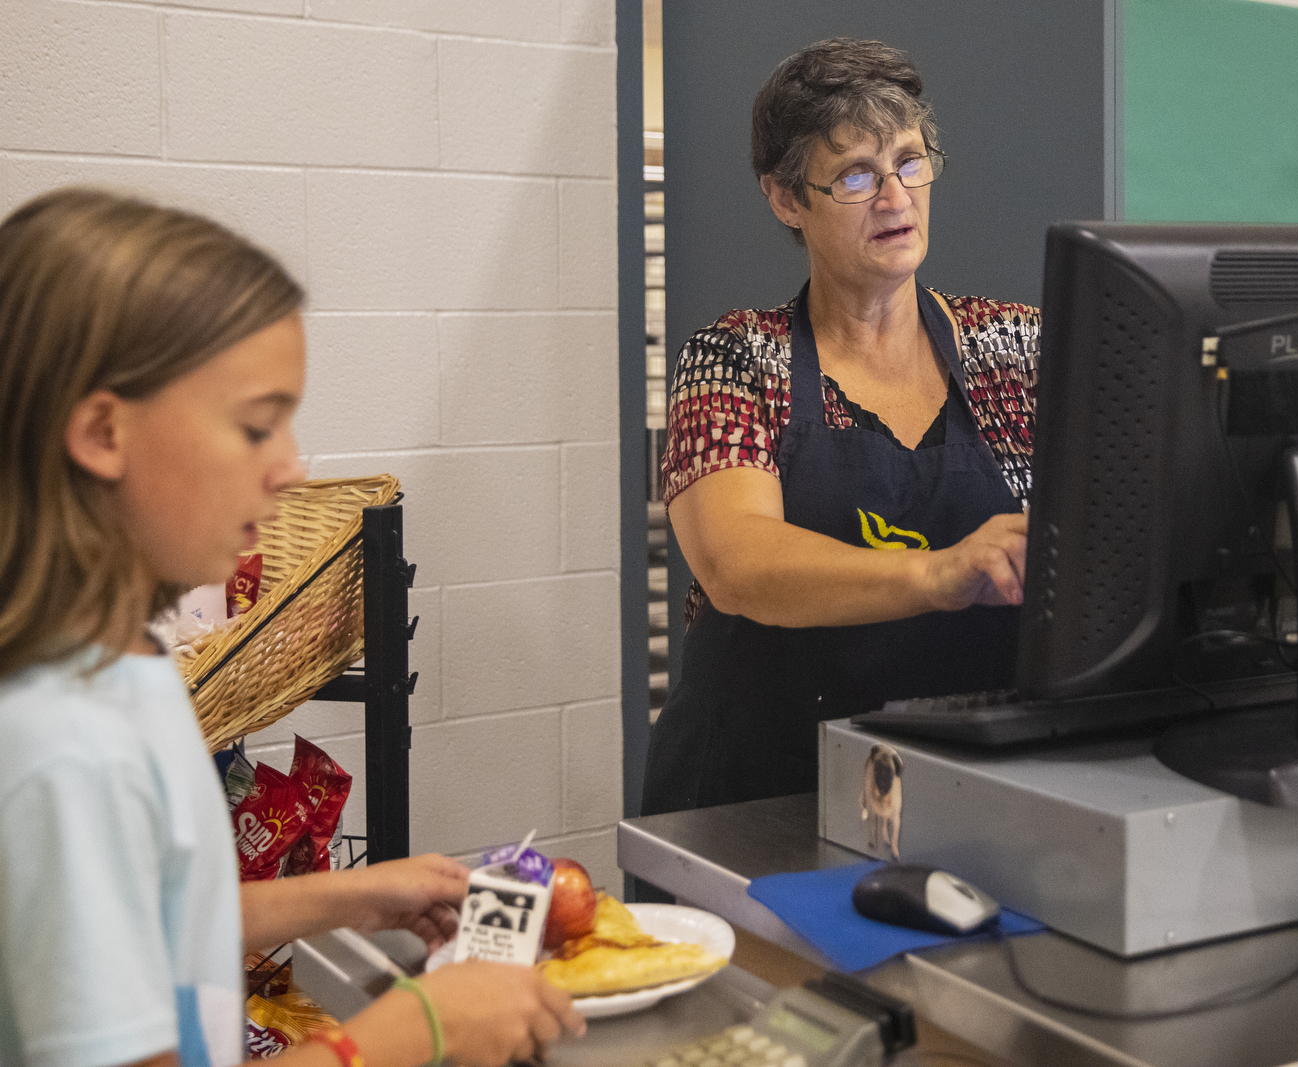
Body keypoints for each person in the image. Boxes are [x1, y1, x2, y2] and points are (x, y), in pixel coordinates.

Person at [0, 187, 585, 1067]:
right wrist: (413, 1031)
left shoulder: (126, 660)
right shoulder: (63, 748)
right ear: (102, 431)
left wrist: (348, 896)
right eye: (255, 425)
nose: (290, 467)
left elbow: (152, 917)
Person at [642, 39, 1039, 815]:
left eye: (910, 162)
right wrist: (941, 571)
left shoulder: (1017, 350)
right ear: (788, 199)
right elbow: (739, 563)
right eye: (856, 175)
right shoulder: (734, 359)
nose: (895, 198)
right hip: (757, 799)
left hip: (966, 787)